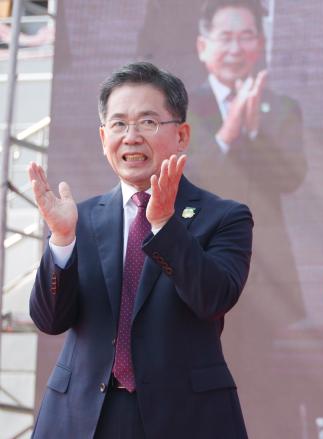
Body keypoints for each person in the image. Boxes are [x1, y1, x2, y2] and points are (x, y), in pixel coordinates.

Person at [28, 62, 252, 439]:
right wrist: (62, 242)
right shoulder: (77, 218)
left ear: (181, 134)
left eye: (147, 122)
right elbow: (50, 321)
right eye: (118, 124)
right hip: (83, 416)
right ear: (103, 139)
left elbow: (212, 298)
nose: (130, 136)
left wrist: (165, 225)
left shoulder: (224, 216)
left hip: (186, 417)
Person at [186, 0, 307, 435]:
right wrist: (226, 136)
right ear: (203, 46)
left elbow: (291, 177)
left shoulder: (283, 108)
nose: (235, 48)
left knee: (261, 391)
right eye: (225, 37)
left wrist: (254, 135)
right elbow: (182, 179)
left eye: (246, 36)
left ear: (260, 45)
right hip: (195, 270)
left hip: (265, 277)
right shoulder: (180, 107)